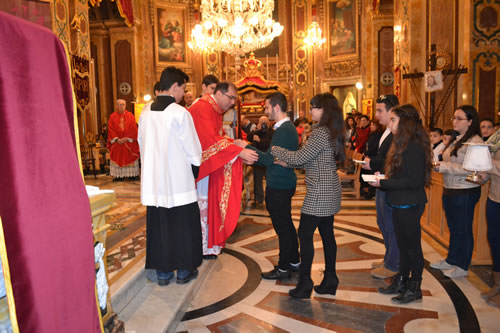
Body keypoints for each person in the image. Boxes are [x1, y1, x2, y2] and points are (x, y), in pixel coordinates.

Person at [272, 93, 345, 298]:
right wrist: (290, 162)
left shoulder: (321, 132)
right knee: (327, 235)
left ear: (324, 110)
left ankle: (305, 283)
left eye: (314, 107)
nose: (311, 111)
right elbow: (315, 160)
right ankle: (331, 278)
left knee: (304, 235)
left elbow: (301, 155)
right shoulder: (331, 130)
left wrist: (277, 149)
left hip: (319, 192)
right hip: (330, 189)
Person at [138, 66, 202, 286]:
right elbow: (193, 149)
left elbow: (141, 143)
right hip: (179, 182)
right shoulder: (180, 113)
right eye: (183, 88)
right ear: (175, 86)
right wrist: (195, 169)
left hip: (154, 183)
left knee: (160, 227)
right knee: (183, 226)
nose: (183, 94)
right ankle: (184, 271)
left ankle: (163, 273)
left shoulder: (145, 112)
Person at [369, 104, 432, 304]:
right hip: (399, 201)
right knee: (403, 245)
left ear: (405, 122)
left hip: (409, 203)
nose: (391, 122)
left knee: (412, 247)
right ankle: (402, 280)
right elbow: (402, 173)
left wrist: (384, 183)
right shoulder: (402, 141)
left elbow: (414, 180)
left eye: (394, 119)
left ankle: (415, 287)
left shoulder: (413, 144)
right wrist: (384, 176)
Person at [188, 82, 258, 259]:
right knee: (202, 206)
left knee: (209, 205)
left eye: (235, 98)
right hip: (201, 168)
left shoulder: (214, 110)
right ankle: (203, 246)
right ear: (218, 93)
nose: (233, 102)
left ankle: (209, 245)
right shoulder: (203, 108)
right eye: (231, 97)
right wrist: (239, 151)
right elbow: (208, 141)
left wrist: (234, 143)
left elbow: (217, 137)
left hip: (209, 167)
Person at [240, 92, 300, 280]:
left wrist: (244, 147)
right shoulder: (286, 128)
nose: (265, 110)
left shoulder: (283, 130)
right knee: (287, 224)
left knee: (282, 227)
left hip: (279, 185)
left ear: (275, 107)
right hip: (284, 182)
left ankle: (283, 268)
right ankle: (294, 260)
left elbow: (269, 160)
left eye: (266, 107)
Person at [431, 105, 483, 278]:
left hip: (465, 190)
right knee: (453, 227)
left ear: (470, 121)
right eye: (454, 117)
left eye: (459, 118)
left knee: (463, 228)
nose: (454, 121)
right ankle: (451, 259)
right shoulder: (457, 138)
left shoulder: (475, 142)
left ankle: (462, 265)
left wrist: (444, 166)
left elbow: (472, 169)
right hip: (451, 188)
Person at [362, 94, 400, 279]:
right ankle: (388, 258)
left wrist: (373, 164)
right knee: (383, 223)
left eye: (380, 111)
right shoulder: (386, 131)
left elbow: (392, 160)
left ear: (392, 110)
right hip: (381, 181)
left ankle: (394, 264)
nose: (376, 115)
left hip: (389, 183)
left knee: (390, 224)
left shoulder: (397, 133)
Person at [478, 129, 500, 307]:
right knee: (495, 241)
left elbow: (491, 162)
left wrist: (486, 163)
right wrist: (482, 176)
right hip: (495, 196)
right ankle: (497, 284)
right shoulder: (497, 135)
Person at [107, 99, 140, 181]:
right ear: (116, 105)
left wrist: (126, 138)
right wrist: (117, 139)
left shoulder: (130, 115)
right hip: (117, 142)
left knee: (131, 155)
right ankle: (119, 176)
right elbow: (111, 129)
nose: (121, 106)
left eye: (123, 104)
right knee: (116, 154)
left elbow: (133, 128)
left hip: (128, 141)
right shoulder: (112, 116)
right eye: (119, 104)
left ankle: (132, 175)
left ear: (125, 105)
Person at [248, 116, 274, 207]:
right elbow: (249, 137)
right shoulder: (257, 131)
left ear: (269, 123)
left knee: (270, 181)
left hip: (268, 159)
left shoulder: (272, 132)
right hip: (258, 159)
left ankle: (270, 200)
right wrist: (256, 130)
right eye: (261, 122)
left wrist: (260, 140)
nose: (263, 124)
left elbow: (270, 143)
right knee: (257, 181)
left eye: (265, 122)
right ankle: (259, 200)